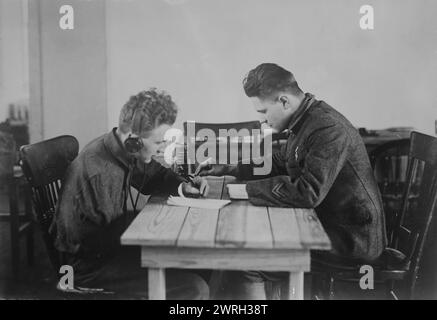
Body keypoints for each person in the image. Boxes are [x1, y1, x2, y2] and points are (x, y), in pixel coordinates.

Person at [199, 63, 387, 299]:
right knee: (236, 250)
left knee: (245, 261)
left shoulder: (328, 128)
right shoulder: (307, 119)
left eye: (264, 112)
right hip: (325, 225)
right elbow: (283, 160)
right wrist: (230, 168)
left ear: (284, 102)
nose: (263, 121)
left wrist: (239, 189)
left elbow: (307, 192)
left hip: (351, 241)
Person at [51, 88, 210, 299]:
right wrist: (155, 237)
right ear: (133, 139)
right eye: (158, 142)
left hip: (107, 247)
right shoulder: (99, 173)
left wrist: (184, 186)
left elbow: (154, 176)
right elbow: (95, 242)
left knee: (199, 261)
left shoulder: (120, 147)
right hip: (85, 270)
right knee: (195, 287)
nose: (162, 148)